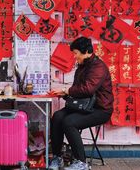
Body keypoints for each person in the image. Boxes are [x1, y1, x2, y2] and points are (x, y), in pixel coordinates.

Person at [48, 37, 114, 170]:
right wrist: (65, 93)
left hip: (100, 109)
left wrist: (66, 90)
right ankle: (57, 157)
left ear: (85, 52)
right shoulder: (82, 67)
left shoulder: (98, 67)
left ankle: (81, 162)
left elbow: (88, 89)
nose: (74, 56)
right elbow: (78, 90)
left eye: (75, 53)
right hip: (83, 106)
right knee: (57, 117)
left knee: (69, 122)